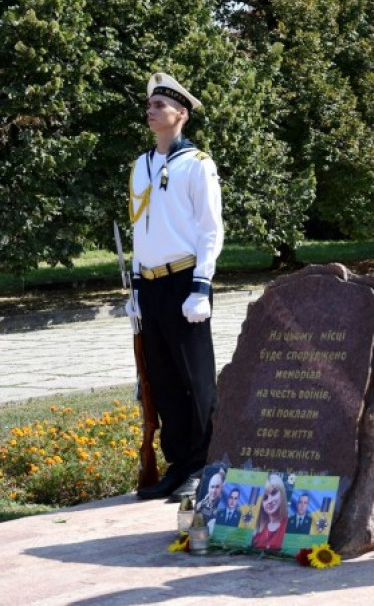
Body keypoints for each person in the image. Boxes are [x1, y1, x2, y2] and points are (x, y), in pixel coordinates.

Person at [126, 72, 224, 501]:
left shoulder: (197, 165)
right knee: (162, 381)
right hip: (150, 286)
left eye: (160, 106)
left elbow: (210, 228)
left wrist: (202, 286)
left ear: (180, 114)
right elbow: (138, 229)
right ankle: (178, 464)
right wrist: (134, 287)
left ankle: (204, 466)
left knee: (196, 380)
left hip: (186, 281)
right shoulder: (140, 165)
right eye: (149, 106)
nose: (151, 111)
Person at [251, 474, 289, 550]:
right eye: (265, 498)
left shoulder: (289, 525)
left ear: (282, 494)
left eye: (274, 493)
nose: (270, 500)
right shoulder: (255, 529)